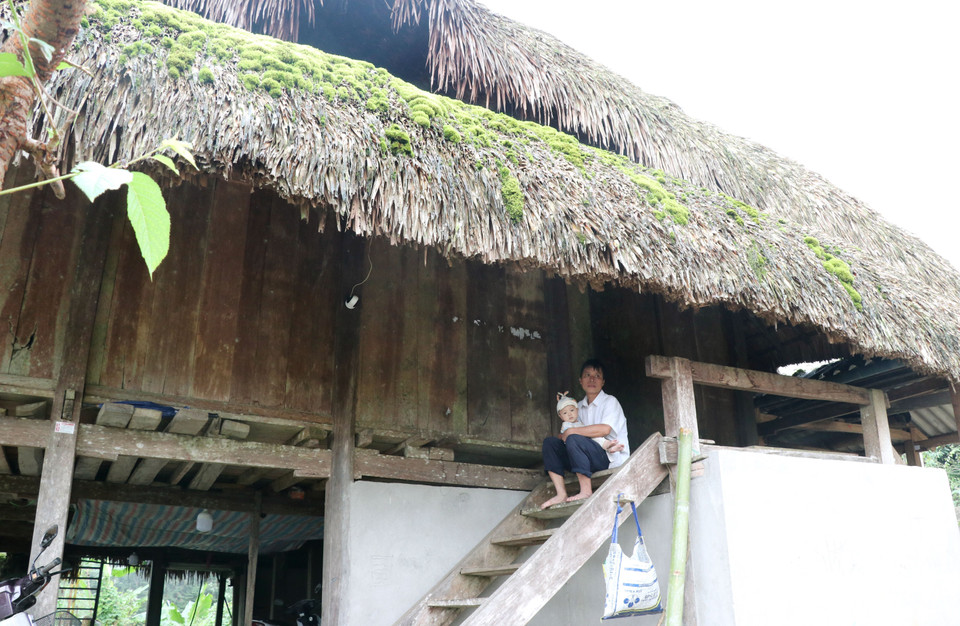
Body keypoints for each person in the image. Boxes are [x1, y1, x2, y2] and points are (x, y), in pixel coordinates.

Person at [540, 359, 630, 509]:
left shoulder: (610, 401)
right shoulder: (577, 407)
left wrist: (571, 432)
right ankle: (561, 494)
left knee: (574, 437)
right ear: (580, 381)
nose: (592, 379)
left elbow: (604, 430)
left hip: (608, 458)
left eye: (597, 376)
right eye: (587, 375)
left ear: (603, 382)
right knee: (550, 443)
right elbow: (567, 433)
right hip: (584, 457)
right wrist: (565, 434)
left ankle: (586, 491)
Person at [557, 392, 624, 454]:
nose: (569, 414)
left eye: (572, 410)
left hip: (588, 443)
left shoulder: (578, 421)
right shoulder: (566, 424)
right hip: (576, 447)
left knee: (596, 438)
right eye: (565, 413)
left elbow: (605, 430)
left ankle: (609, 447)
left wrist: (572, 431)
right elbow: (562, 436)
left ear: (577, 410)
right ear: (561, 417)